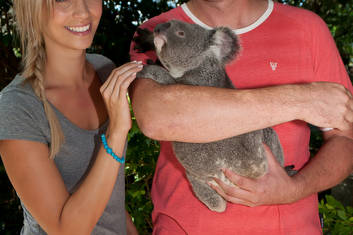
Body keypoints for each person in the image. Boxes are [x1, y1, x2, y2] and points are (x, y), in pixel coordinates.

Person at [129, 0, 353, 234]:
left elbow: (345, 140)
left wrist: (296, 188)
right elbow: (156, 117)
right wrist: (298, 100)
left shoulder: (307, 28)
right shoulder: (158, 29)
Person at [0, 0, 142, 234]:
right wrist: (115, 133)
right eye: (63, 0)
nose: (83, 11)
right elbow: (67, 230)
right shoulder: (16, 107)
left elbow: (110, 199)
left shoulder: (104, 71)